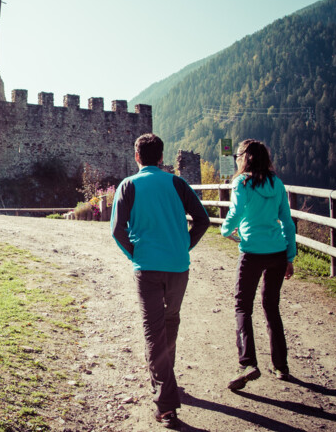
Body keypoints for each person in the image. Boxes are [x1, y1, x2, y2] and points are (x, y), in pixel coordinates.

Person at [111, 133, 209, 428]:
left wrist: (136, 254)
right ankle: (167, 382)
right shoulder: (177, 183)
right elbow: (202, 220)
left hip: (148, 267)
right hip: (179, 267)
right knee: (170, 322)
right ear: (162, 158)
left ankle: (166, 405)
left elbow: (117, 230)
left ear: (137, 157)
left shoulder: (128, 185)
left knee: (154, 332)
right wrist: (184, 246)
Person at [220, 139, 297, 390]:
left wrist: (225, 230)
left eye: (238, 156)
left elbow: (236, 212)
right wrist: (289, 257)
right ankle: (281, 366)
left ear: (244, 158)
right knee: (271, 307)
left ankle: (248, 363)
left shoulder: (241, 183)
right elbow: (287, 221)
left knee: (243, 306)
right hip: (277, 251)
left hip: (252, 251)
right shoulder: (277, 183)